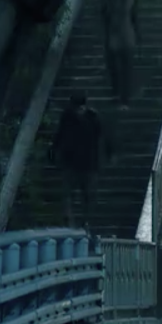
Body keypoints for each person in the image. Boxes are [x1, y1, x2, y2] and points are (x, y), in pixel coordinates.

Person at [49, 93, 114, 228]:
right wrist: (54, 151)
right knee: (70, 193)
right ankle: (70, 220)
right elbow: (59, 136)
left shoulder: (92, 118)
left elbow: (104, 137)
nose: (78, 111)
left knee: (87, 195)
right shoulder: (68, 117)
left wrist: (109, 153)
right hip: (73, 162)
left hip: (87, 163)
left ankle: (85, 222)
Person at [101, 0, 139, 110]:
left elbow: (105, 19)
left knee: (116, 70)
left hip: (115, 39)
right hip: (127, 38)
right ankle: (124, 99)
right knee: (125, 71)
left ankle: (117, 95)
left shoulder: (109, 2)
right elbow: (134, 19)